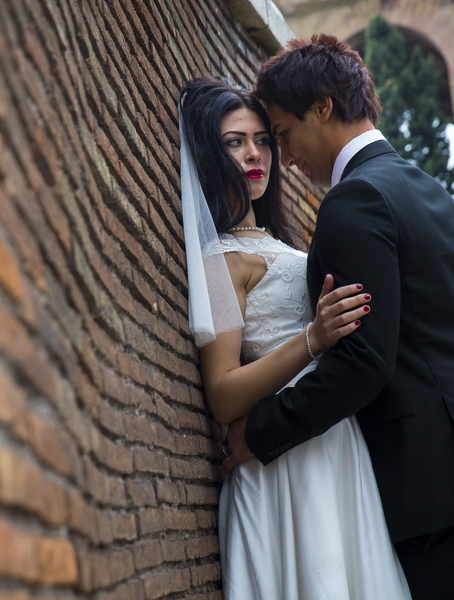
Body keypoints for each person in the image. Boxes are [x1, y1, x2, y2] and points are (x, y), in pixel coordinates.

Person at [221, 35, 454, 599]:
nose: (287, 157)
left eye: (282, 133)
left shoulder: (357, 200)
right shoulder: (432, 193)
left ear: (322, 106)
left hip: (433, 481)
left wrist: (258, 433)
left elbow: (364, 360)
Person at [178, 76, 411, 599]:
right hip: (283, 464)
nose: (255, 154)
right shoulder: (220, 262)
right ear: (205, 154)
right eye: (234, 142)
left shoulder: (277, 243)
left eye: (263, 139)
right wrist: (312, 339)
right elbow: (222, 393)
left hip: (331, 442)